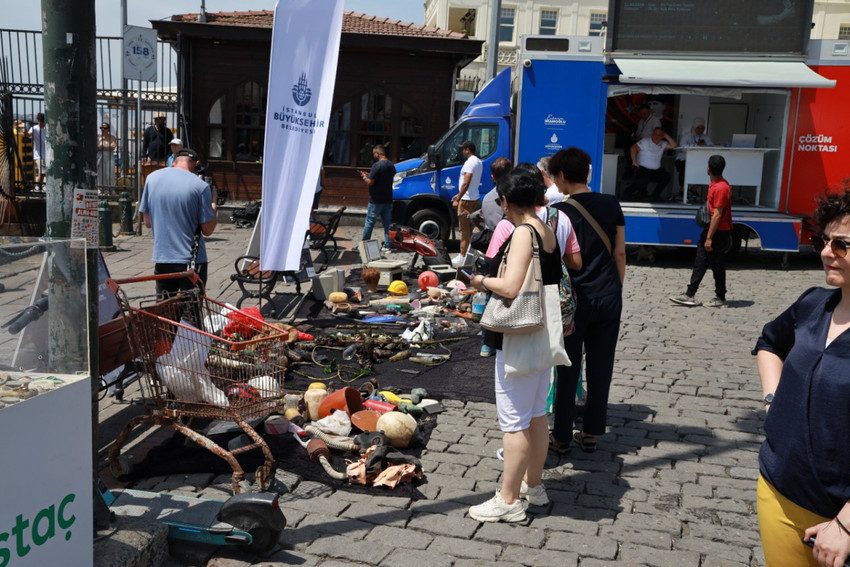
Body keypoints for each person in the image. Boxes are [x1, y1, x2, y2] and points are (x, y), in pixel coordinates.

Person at [754, 186, 850, 567]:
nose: (827, 253)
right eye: (823, 241)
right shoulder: (814, 303)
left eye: (841, 245)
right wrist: (773, 400)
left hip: (838, 520)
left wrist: (845, 523)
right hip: (778, 494)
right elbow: (769, 342)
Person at [467, 167, 563, 523]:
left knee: (514, 422)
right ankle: (533, 487)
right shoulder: (546, 228)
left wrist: (479, 280)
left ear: (506, 200)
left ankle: (508, 500)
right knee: (536, 414)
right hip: (542, 332)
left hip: (521, 333)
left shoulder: (523, 232)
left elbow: (509, 287)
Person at [549, 147, 626, 455]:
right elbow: (620, 252)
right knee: (601, 365)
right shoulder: (611, 203)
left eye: (556, 177)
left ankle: (562, 436)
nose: (555, 183)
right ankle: (592, 431)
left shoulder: (559, 211)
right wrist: (615, 290)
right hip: (608, 296)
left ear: (563, 176)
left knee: (567, 367)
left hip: (574, 301)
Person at [139, 148, 217, 298]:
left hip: (163, 258)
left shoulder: (151, 178)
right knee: (191, 314)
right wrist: (213, 206)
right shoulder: (200, 186)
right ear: (196, 164)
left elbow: (147, 222)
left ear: (173, 162)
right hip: (191, 261)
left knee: (165, 310)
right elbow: (208, 230)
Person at [669, 155, 732, 308]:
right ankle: (691, 294)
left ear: (708, 169)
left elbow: (717, 214)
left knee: (714, 264)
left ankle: (718, 297)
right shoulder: (717, 184)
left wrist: (709, 238)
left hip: (717, 232)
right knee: (702, 262)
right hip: (714, 230)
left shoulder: (720, 187)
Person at [623, 127, 677, 201]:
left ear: (662, 136)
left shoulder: (662, 144)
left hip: (656, 170)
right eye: (655, 134)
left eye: (659, 135)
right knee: (642, 181)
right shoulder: (645, 141)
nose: (657, 136)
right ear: (652, 134)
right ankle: (626, 194)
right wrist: (635, 163)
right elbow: (633, 148)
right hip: (643, 168)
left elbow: (674, 145)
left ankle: (655, 195)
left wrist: (666, 135)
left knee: (666, 176)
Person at [451, 140, 483, 266]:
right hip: (473, 196)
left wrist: (459, 198)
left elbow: (466, 182)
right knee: (470, 227)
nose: (462, 151)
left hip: (466, 199)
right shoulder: (478, 161)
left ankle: (462, 256)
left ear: (467, 149)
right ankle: (469, 254)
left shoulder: (470, 163)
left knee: (464, 229)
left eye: (463, 149)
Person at [359, 144, 396, 250]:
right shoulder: (391, 165)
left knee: (370, 222)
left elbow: (370, 182)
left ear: (378, 154)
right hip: (388, 198)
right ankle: (388, 244)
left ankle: (364, 245)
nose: (373, 156)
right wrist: (370, 175)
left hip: (376, 199)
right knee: (387, 223)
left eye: (374, 154)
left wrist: (365, 177)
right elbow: (383, 177)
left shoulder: (377, 165)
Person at [674, 117, 714, 200]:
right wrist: (697, 146)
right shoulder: (686, 136)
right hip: (684, 159)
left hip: (698, 160)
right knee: (684, 169)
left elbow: (711, 147)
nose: (700, 130)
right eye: (698, 128)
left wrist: (705, 146)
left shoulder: (705, 138)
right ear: (694, 127)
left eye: (702, 128)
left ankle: (694, 188)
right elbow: (682, 147)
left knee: (708, 170)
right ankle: (682, 190)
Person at [480, 157, 512, 232]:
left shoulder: (487, 199)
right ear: (511, 174)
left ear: (493, 177)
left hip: (492, 240)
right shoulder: (519, 196)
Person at [96, 122, 118, 191]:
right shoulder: (98, 137)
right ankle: (101, 190)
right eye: (101, 128)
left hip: (109, 158)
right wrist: (108, 147)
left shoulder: (112, 137)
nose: (103, 129)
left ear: (108, 129)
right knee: (101, 175)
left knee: (109, 175)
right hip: (100, 157)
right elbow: (98, 147)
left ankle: (111, 190)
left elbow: (113, 147)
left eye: (104, 128)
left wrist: (103, 146)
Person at [28, 113, 46, 189]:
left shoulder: (46, 128)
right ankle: (38, 187)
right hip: (39, 154)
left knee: (43, 172)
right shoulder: (34, 128)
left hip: (46, 154)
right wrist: (26, 133)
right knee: (42, 172)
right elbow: (29, 135)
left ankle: (39, 187)